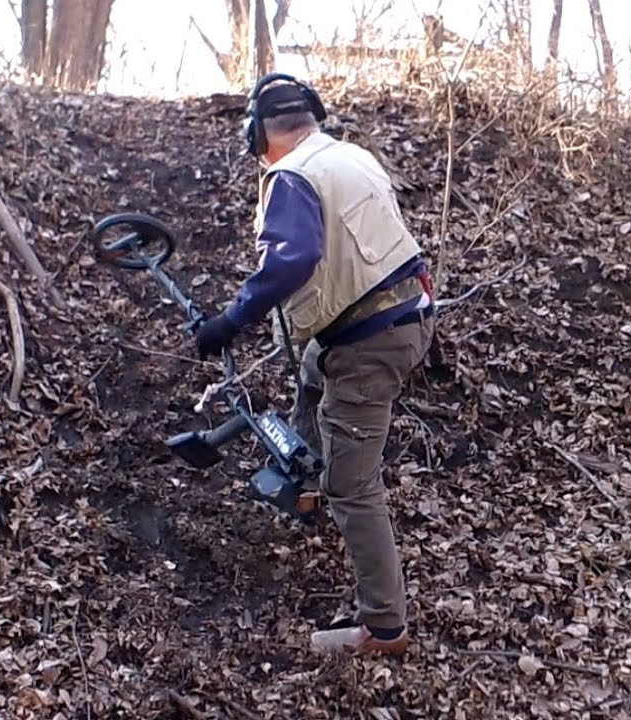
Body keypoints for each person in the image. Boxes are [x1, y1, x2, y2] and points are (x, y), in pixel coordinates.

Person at [192, 73, 436, 656]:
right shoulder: (348, 155)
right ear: (313, 116)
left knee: (353, 484)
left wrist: (230, 321)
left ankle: (384, 629)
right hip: (399, 315)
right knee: (311, 370)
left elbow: (292, 259)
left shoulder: (291, 175)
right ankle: (302, 487)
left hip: (372, 339)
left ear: (259, 135)